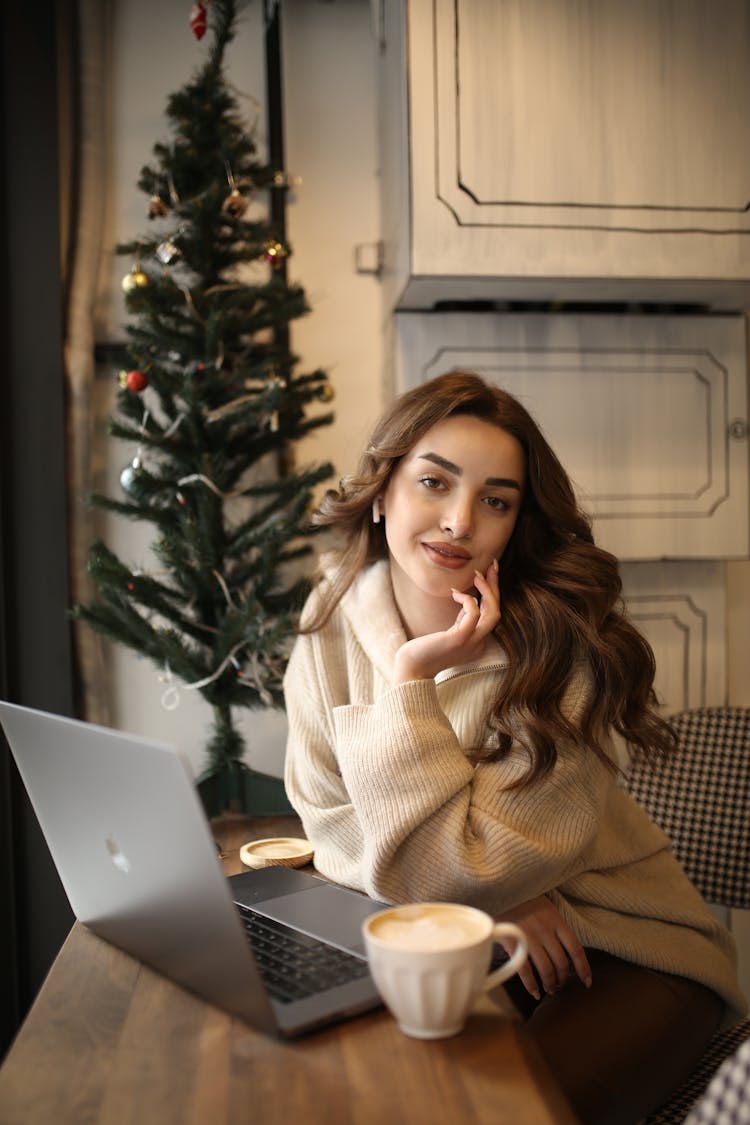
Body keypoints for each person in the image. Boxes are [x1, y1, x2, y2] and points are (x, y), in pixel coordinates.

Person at [283, 370, 746, 1124]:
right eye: (434, 481)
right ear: (384, 486)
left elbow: (460, 869)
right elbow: (325, 818)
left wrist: (408, 684)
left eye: (495, 500)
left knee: (504, 1112)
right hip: (473, 937)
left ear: (516, 522)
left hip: (626, 947)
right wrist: (499, 894)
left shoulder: (564, 650)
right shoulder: (331, 617)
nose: (459, 521)